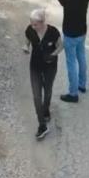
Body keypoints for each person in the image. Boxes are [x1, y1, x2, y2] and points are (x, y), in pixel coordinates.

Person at [58, 0, 89, 103]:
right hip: (82, 33)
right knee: (81, 57)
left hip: (69, 34)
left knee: (71, 63)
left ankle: (73, 94)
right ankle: (82, 85)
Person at [25, 8, 63, 140]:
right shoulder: (30, 30)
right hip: (35, 66)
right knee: (36, 96)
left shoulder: (53, 32)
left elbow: (61, 46)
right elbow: (28, 39)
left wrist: (52, 55)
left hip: (49, 66)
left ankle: (46, 109)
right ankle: (42, 125)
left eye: (35, 24)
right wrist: (26, 46)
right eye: (31, 23)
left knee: (47, 91)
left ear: (42, 22)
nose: (32, 26)